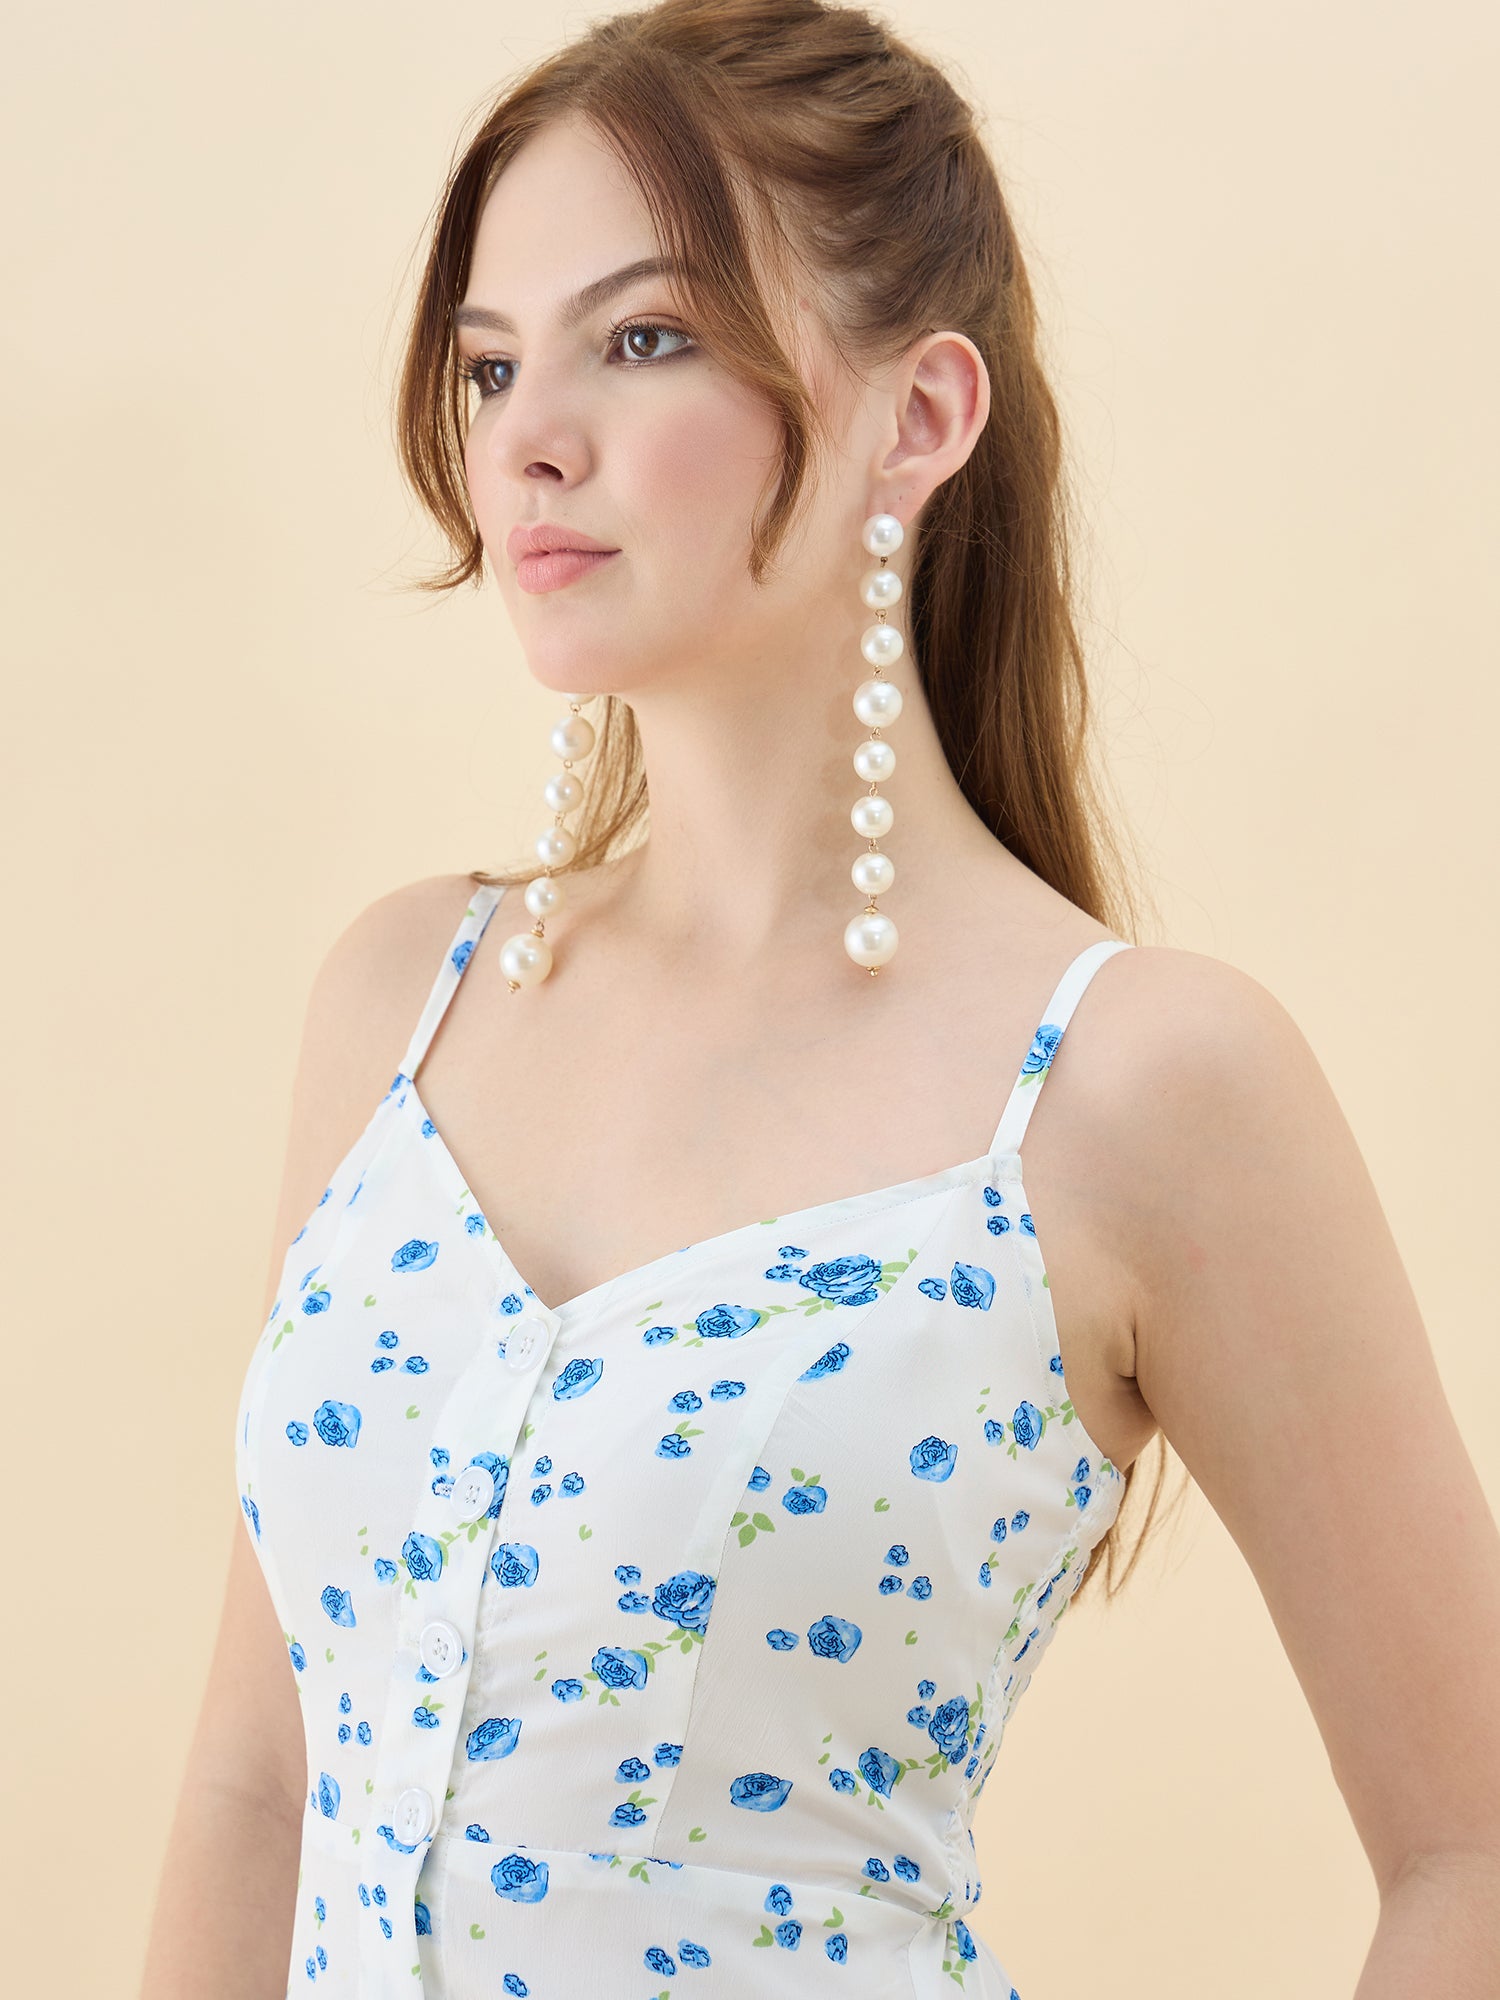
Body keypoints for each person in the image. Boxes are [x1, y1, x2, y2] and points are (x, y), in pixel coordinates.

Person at [140, 2, 1500, 1995]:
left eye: (647, 337)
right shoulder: (396, 1006)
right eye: (494, 362)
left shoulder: (1136, 1082)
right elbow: (259, 1786)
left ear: (919, 416)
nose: (529, 433)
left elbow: (1473, 1845)